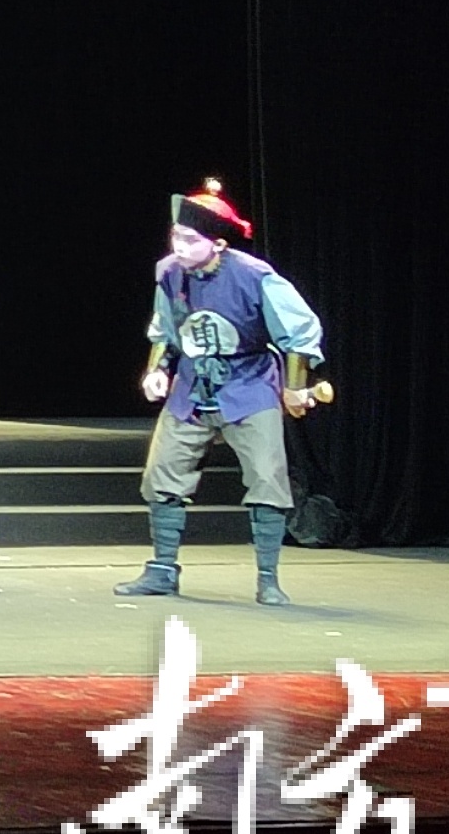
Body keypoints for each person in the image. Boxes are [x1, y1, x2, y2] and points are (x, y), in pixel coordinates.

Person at [115, 180, 326, 605]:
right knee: (163, 473)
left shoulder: (254, 276)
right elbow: (166, 328)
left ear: (218, 243)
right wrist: (156, 370)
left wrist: (294, 387)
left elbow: (299, 332)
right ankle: (162, 570)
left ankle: (268, 579)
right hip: (192, 386)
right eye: (176, 236)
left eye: (190, 240)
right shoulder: (169, 273)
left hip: (248, 385)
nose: (180, 246)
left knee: (267, 477)